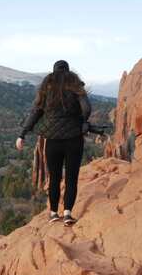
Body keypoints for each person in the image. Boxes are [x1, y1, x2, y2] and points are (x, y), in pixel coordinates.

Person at [15, 60, 91, 226]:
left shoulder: (47, 86)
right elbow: (86, 108)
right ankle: (68, 214)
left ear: (54, 70)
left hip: (53, 141)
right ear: (68, 70)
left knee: (55, 177)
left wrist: (22, 134)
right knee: (71, 178)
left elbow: (35, 112)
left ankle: (53, 213)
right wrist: (82, 122)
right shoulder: (74, 83)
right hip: (74, 139)